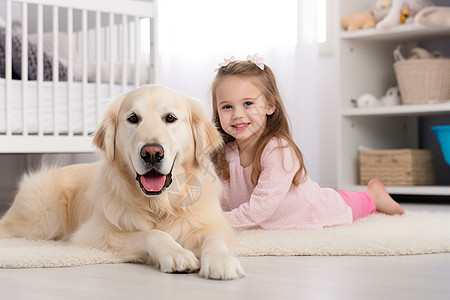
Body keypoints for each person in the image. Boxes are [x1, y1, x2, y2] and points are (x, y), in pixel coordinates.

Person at [211, 54, 404, 230]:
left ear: (269, 106)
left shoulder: (278, 150)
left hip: (311, 210)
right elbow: (217, 199)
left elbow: (260, 208)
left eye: (248, 104)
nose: (237, 114)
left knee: (345, 204)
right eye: (227, 106)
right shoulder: (224, 154)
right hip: (269, 220)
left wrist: (214, 222)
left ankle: (373, 196)